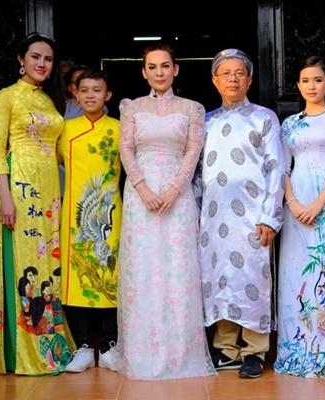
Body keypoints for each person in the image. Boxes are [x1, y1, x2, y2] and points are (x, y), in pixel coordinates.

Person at [117, 43, 215, 380]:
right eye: (152, 67)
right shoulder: (131, 107)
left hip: (179, 197)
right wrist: (143, 188)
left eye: (165, 66)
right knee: (143, 269)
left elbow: (193, 151)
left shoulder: (192, 108)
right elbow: (126, 149)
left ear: (176, 69)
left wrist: (174, 190)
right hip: (140, 196)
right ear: (144, 72)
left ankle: (180, 353)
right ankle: (141, 353)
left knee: (177, 269)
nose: (159, 72)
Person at [199, 48, 285, 379]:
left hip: (252, 216)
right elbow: (196, 173)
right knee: (219, 277)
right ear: (214, 81)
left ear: (249, 80)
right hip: (214, 217)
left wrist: (269, 217)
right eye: (226, 73)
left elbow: (276, 168)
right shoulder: (206, 121)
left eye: (239, 73)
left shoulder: (264, 118)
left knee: (252, 278)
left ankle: (254, 350)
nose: (233, 79)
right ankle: (225, 348)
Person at [0, 32, 72, 375]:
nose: (42, 63)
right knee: (26, 266)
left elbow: (61, 150)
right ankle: (25, 352)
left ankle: (53, 346)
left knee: (49, 263)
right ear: (21, 60)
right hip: (21, 190)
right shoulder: (7, 96)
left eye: (48, 59)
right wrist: (5, 197)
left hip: (50, 190)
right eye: (35, 57)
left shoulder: (50, 101)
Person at [273, 56, 325, 378]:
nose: (311, 86)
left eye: (318, 80)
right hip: (296, 202)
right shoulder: (289, 124)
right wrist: (292, 202)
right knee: (295, 272)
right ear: (298, 85)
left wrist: (317, 205)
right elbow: (282, 166)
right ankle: (296, 349)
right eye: (305, 81)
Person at [58, 69, 122, 373]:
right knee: (76, 277)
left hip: (110, 214)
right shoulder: (64, 129)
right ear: (75, 94)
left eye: (97, 90)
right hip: (74, 215)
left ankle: (110, 345)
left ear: (107, 95)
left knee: (111, 275)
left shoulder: (120, 128)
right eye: (84, 90)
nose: (90, 95)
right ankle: (82, 346)